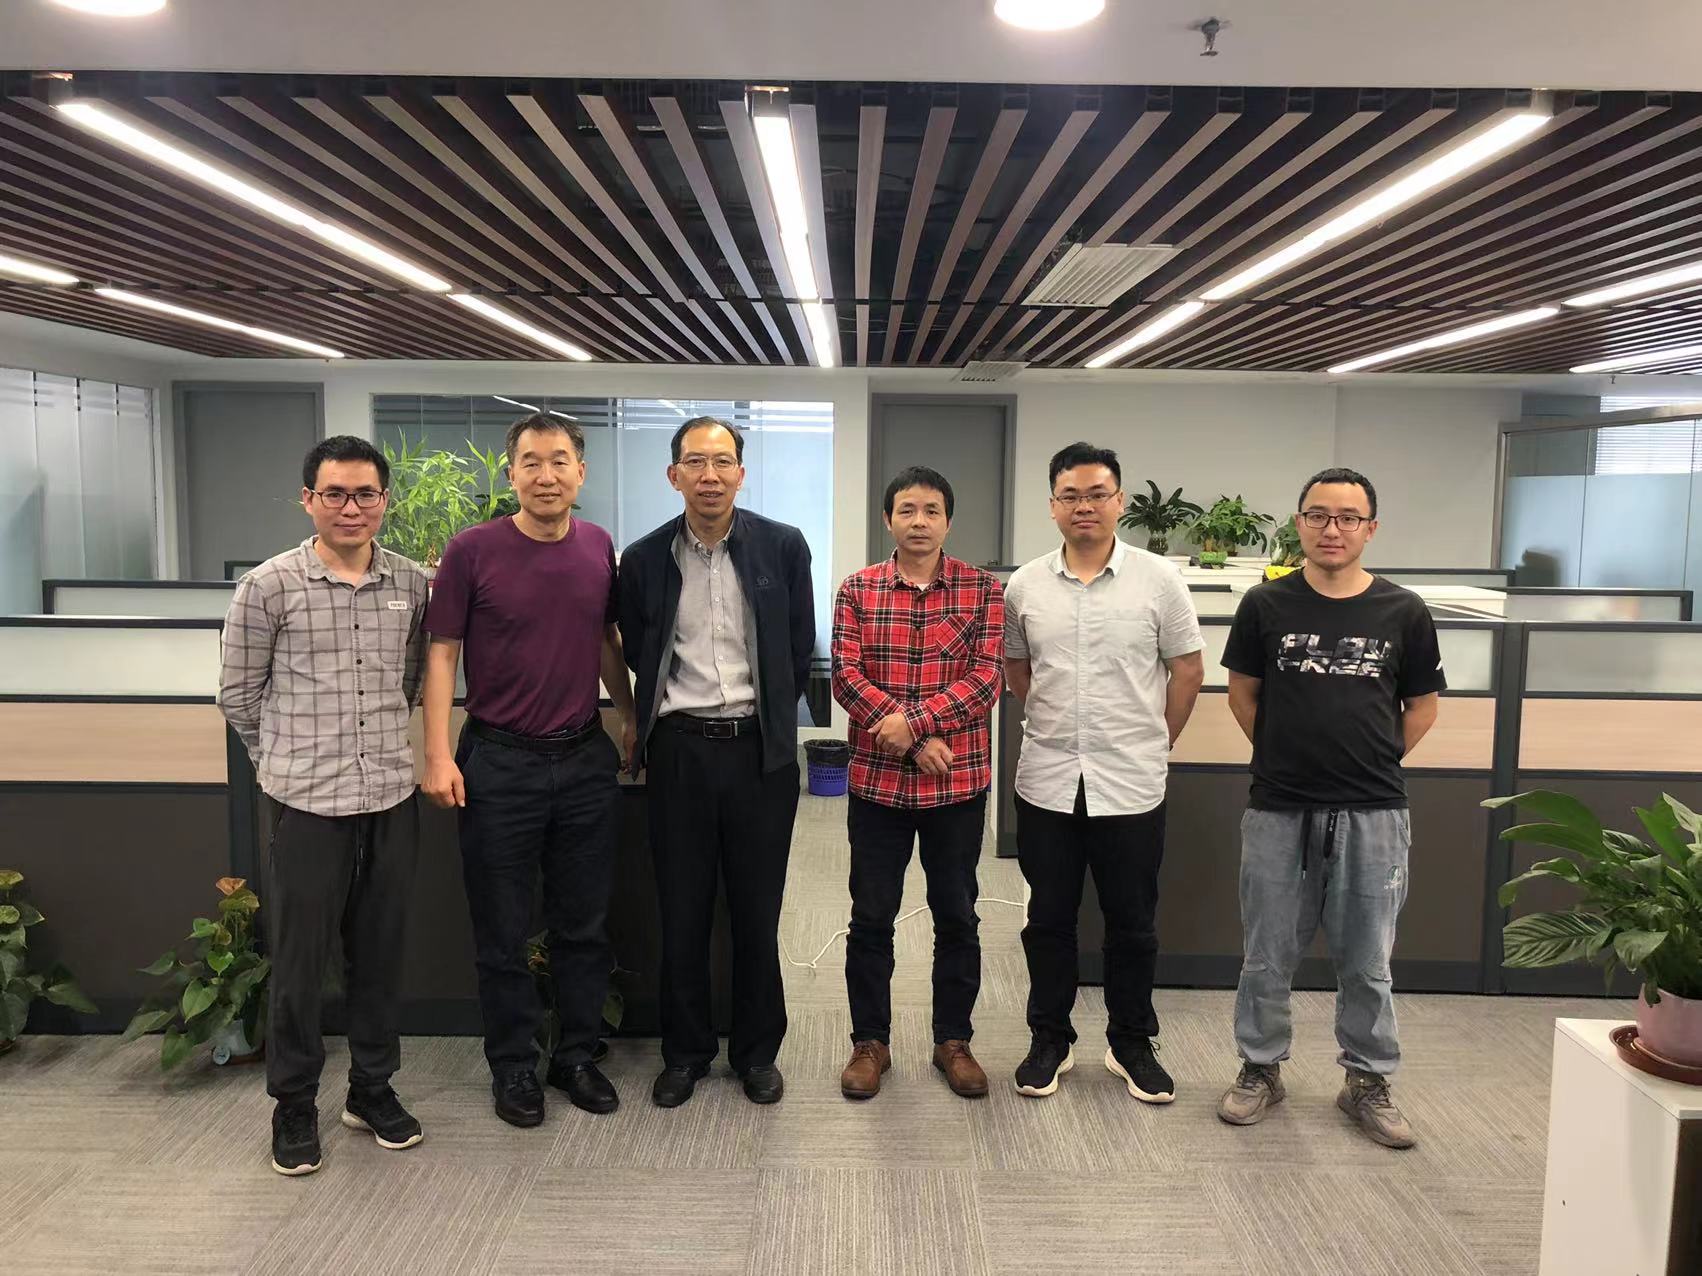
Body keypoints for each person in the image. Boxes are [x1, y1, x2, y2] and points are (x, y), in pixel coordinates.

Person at [218, 435, 430, 1177]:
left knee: (379, 954)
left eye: (365, 493)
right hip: (306, 803)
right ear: (309, 500)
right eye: (335, 493)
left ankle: (371, 1089)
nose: (351, 507)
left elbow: (410, 681)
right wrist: (282, 762)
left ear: (384, 500)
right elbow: (238, 695)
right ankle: (294, 1103)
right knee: (301, 963)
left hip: (390, 796)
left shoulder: (411, 583)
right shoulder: (269, 586)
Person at [1216, 466, 1443, 1149]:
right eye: (1318, 515)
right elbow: (1242, 694)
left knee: (1368, 958)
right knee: (1266, 954)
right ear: (1299, 524)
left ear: (1371, 528)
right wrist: (1284, 754)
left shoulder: (1403, 610)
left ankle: (1366, 1080)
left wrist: (1371, 760)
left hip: (1374, 810)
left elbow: (1422, 706)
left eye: (1348, 517)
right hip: (1278, 807)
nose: (1332, 529)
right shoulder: (1266, 605)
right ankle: (1260, 1069)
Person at [420, 413, 636, 1127]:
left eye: (560, 461)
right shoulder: (472, 550)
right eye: (532, 462)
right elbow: (442, 654)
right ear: (510, 472)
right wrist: (438, 753)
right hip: (499, 762)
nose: (547, 475)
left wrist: (629, 714)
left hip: (583, 759)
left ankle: (575, 1056)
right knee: (503, 930)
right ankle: (513, 1065)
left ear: (581, 472)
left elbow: (606, 639)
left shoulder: (598, 545)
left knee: (584, 924)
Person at [617, 416, 814, 1108]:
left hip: (760, 755)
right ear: (674, 475)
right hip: (681, 752)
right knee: (683, 910)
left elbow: (796, 646)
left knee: (758, 911)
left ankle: (757, 1053)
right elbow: (635, 646)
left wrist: (774, 727)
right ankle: (686, 1053)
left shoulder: (782, 546)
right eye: (696, 463)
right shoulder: (644, 558)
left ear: (741, 473)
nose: (710, 475)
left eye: (723, 462)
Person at [1003, 442, 1204, 1104]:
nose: (1083, 506)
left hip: (1131, 782)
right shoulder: (1025, 585)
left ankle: (1131, 1042)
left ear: (1118, 501)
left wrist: (1155, 740)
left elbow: (1187, 670)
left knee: (1132, 922)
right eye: (1071, 495)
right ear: (1052, 506)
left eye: (1096, 494)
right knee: (1048, 920)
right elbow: (1018, 670)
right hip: (1048, 779)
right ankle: (1049, 1039)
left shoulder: (1159, 580)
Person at [832, 466, 1005, 1101]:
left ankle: (953, 1040)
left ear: (948, 521)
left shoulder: (983, 590)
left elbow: (987, 678)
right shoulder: (858, 590)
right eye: (907, 510)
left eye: (932, 510)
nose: (919, 521)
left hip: (955, 785)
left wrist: (917, 723)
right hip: (877, 788)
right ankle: (869, 1043)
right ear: (889, 519)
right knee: (870, 917)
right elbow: (845, 677)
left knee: (957, 915)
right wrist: (908, 737)